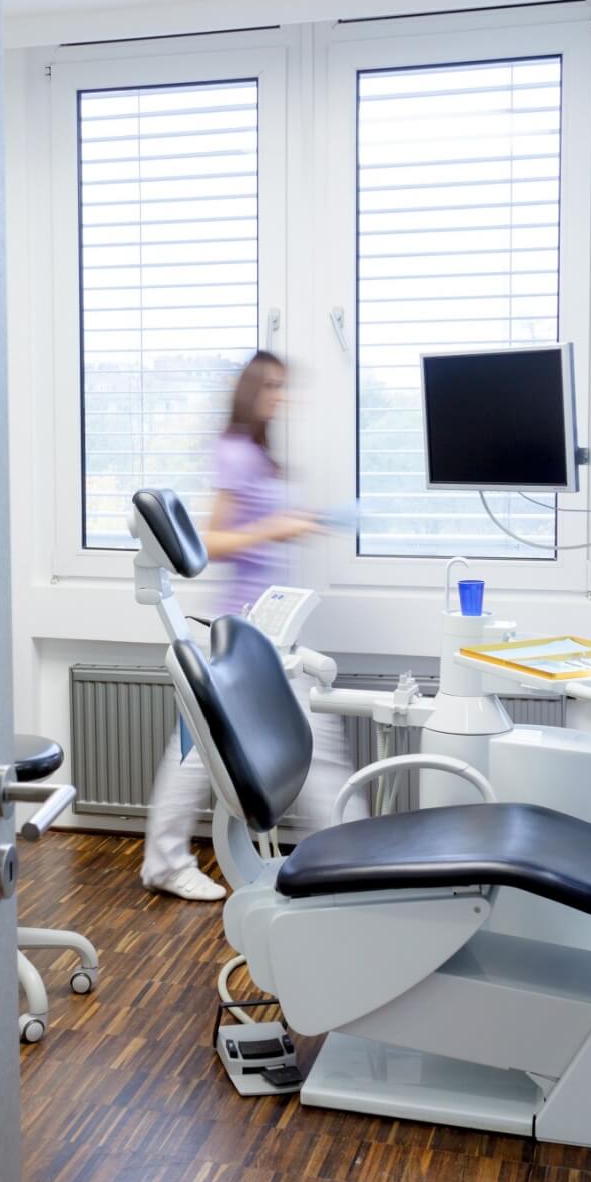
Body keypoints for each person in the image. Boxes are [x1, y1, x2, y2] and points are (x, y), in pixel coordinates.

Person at [140, 350, 354, 900]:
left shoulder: (259, 454)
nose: (281, 398)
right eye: (273, 387)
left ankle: (350, 856)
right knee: (197, 753)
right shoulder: (235, 453)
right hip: (236, 629)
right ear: (251, 391)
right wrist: (276, 529)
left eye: (285, 387)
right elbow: (212, 542)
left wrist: (297, 523)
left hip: (271, 626)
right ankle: (164, 862)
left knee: (310, 745)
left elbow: (264, 528)